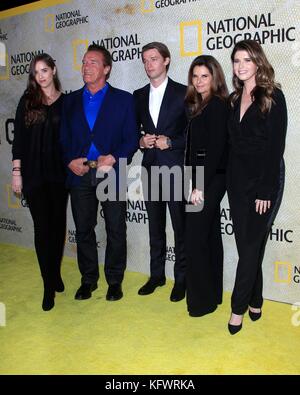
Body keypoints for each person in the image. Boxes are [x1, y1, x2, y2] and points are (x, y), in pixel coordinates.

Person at [60, 44, 139, 302]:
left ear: (106, 68)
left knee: (116, 228)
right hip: (79, 174)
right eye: (84, 62)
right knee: (84, 229)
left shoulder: (125, 100)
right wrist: (69, 161)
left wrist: (114, 157)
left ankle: (114, 281)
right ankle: (88, 280)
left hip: (112, 172)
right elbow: (61, 139)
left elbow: (132, 138)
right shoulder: (69, 101)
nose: (86, 67)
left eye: (93, 62)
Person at [227, 40, 288, 334]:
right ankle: (256, 297)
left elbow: (276, 146)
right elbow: (231, 145)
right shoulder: (232, 99)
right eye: (236, 60)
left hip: (265, 179)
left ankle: (237, 308)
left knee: (250, 246)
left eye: (246, 60)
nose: (240, 66)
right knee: (249, 246)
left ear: (257, 62)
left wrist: (266, 190)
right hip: (237, 182)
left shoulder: (274, 96)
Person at [12, 53, 68, 311]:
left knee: (57, 229)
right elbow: (20, 142)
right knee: (42, 229)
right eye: (36, 72)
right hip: (34, 175)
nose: (41, 76)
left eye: (45, 70)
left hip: (58, 176)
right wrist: (16, 172)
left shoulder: (66, 103)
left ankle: (54, 272)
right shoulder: (27, 101)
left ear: (53, 70)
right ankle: (48, 286)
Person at [133, 42, 188, 302]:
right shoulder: (138, 95)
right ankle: (157, 276)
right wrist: (140, 142)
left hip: (176, 167)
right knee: (155, 226)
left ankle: (182, 280)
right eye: (145, 60)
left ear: (166, 61)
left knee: (180, 227)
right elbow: (130, 131)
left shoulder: (184, 92)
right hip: (150, 167)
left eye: (153, 59)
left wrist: (172, 142)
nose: (148, 64)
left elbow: (195, 133)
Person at [184, 55, 229, 317]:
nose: (199, 81)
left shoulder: (217, 106)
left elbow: (213, 150)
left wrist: (198, 185)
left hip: (211, 178)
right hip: (206, 177)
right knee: (210, 234)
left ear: (215, 78)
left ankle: (200, 303)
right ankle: (212, 296)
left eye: (205, 76)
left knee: (194, 237)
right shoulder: (201, 104)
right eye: (195, 76)